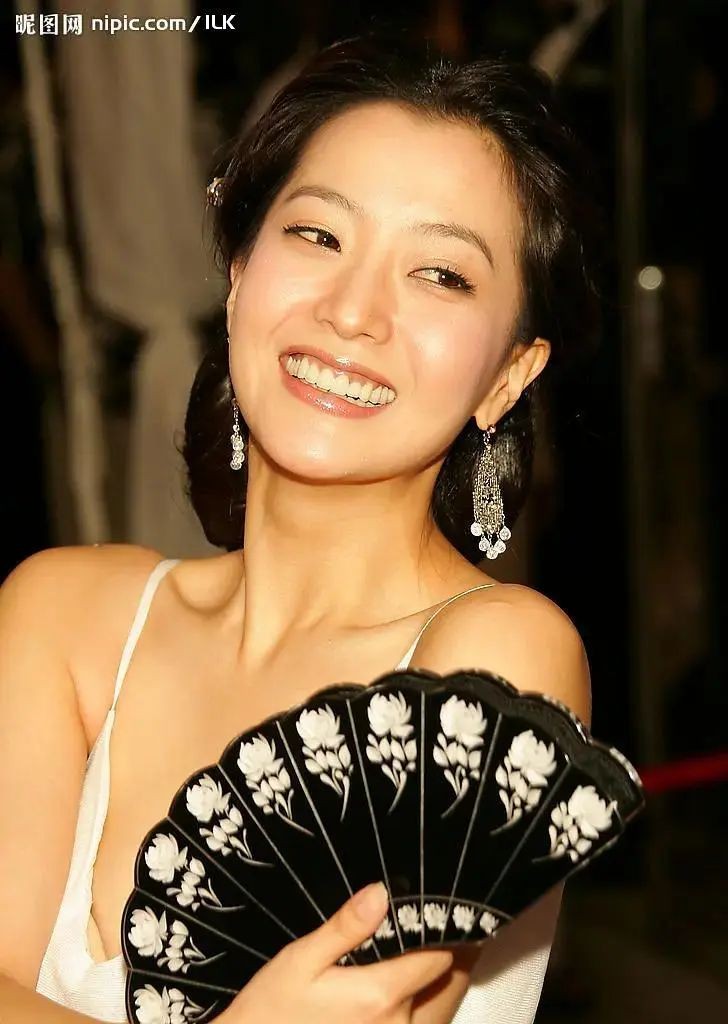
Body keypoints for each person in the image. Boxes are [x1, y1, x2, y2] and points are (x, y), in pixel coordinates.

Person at [0, 32, 601, 1024]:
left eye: (440, 274)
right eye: (318, 235)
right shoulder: (62, 615)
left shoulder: (496, 661)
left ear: (508, 375)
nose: (353, 311)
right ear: (239, 272)